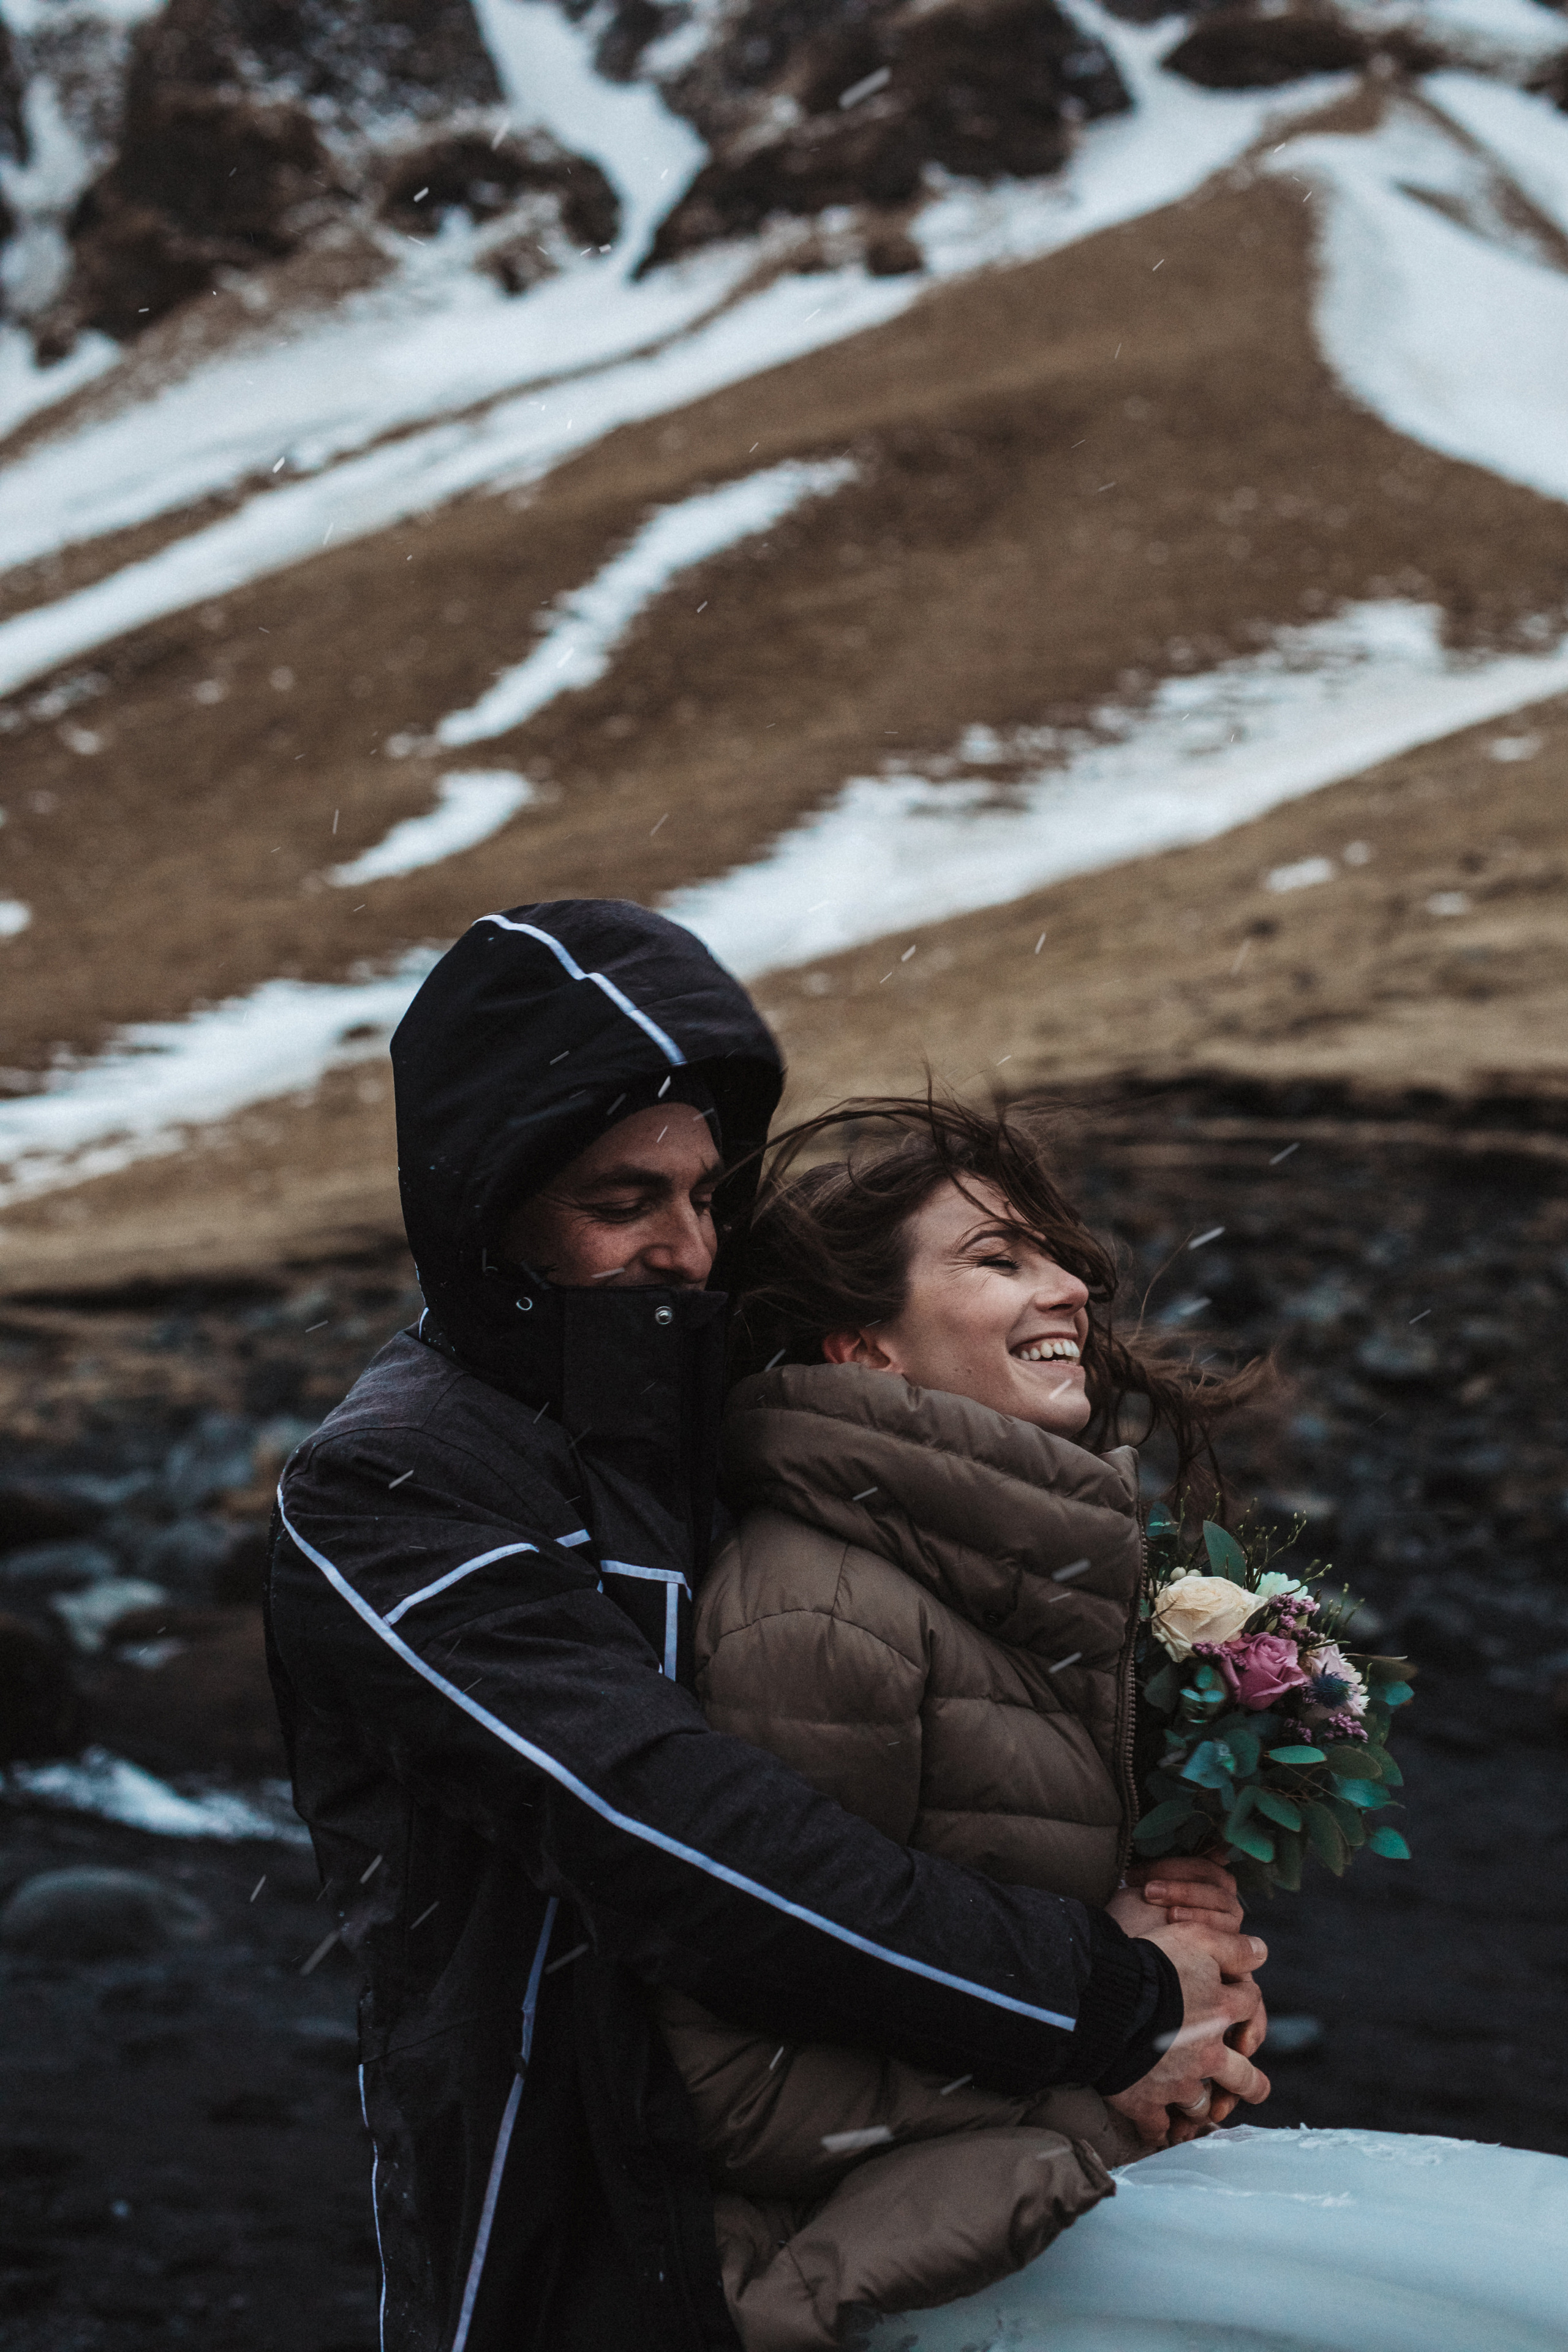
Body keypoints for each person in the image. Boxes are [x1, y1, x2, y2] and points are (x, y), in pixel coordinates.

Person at [265, 901, 1267, 2352]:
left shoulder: (698, 1408)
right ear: (487, 1209)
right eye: (621, 1203)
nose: (686, 1248)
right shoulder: (391, 1489)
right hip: (561, 2176)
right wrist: (1101, 2003)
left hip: (849, 2175)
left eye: (704, 1197)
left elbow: (933, 1725)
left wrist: (1175, 1899)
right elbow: (668, 1829)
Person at [658, 1099, 1270, 2346]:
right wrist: (1117, 2046)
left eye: (1061, 1262)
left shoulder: (1018, 1569)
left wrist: (1176, 1925)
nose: (1067, 1293)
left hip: (1013, 2254)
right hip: (899, 2296)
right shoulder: (816, 1611)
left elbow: (989, 1900)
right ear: (862, 1347)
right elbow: (729, 2085)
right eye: (999, 1261)